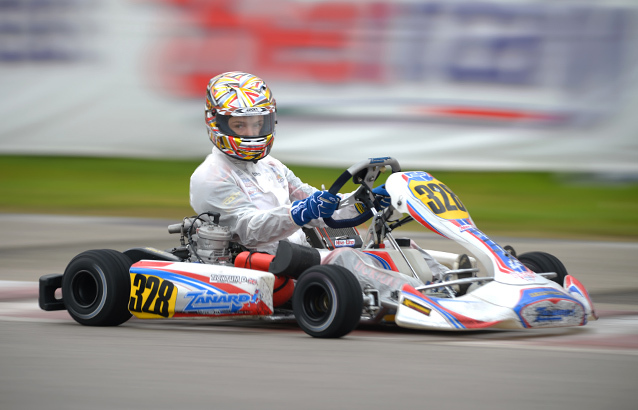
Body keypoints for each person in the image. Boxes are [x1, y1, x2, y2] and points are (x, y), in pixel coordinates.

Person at [190, 71, 375, 255]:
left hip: (298, 258)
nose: (251, 133)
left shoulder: (271, 166)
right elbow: (249, 230)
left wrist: (363, 202)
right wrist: (298, 212)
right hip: (259, 269)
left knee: (368, 257)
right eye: (239, 125)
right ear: (216, 122)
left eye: (257, 124)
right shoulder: (211, 177)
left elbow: (319, 204)